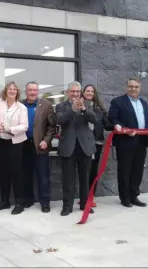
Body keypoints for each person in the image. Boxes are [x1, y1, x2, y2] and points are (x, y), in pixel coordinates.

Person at [108, 77, 148, 208]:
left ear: (140, 87)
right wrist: (123, 128)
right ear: (127, 87)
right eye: (131, 86)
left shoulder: (143, 103)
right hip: (125, 141)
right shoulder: (117, 102)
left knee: (137, 170)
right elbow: (112, 119)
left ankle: (134, 195)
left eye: (136, 87)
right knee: (125, 170)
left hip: (141, 141)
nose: (133, 89)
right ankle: (125, 197)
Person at [55, 81, 97, 216]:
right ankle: (67, 206)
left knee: (85, 178)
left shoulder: (88, 104)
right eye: (73, 91)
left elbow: (94, 119)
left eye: (78, 92)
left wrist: (83, 109)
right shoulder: (61, 106)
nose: (75, 94)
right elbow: (60, 120)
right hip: (68, 147)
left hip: (84, 146)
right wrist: (72, 109)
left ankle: (85, 204)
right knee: (68, 179)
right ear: (68, 92)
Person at [0, 82, 28, 215]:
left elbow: (24, 126)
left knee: (17, 173)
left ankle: (19, 202)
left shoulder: (21, 107)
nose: (12, 91)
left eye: (14, 89)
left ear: (17, 92)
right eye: (9, 89)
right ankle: (4, 201)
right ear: (5, 91)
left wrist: (10, 129)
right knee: (3, 172)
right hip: (0, 141)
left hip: (15, 142)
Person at [22, 81, 56, 213]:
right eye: (30, 90)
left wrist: (46, 140)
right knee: (26, 175)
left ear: (38, 91)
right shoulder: (20, 104)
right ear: (26, 91)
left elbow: (52, 126)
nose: (33, 92)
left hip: (41, 146)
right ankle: (28, 199)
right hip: (24, 146)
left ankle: (45, 202)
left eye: (35, 90)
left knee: (43, 176)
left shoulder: (46, 105)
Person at [82, 84, 114, 207]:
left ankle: (91, 197)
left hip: (96, 143)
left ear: (95, 94)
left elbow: (107, 125)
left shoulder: (100, 109)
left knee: (92, 171)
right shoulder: (79, 106)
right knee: (83, 171)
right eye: (87, 91)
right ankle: (84, 197)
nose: (89, 93)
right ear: (83, 93)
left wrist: (116, 125)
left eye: (92, 91)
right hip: (82, 143)